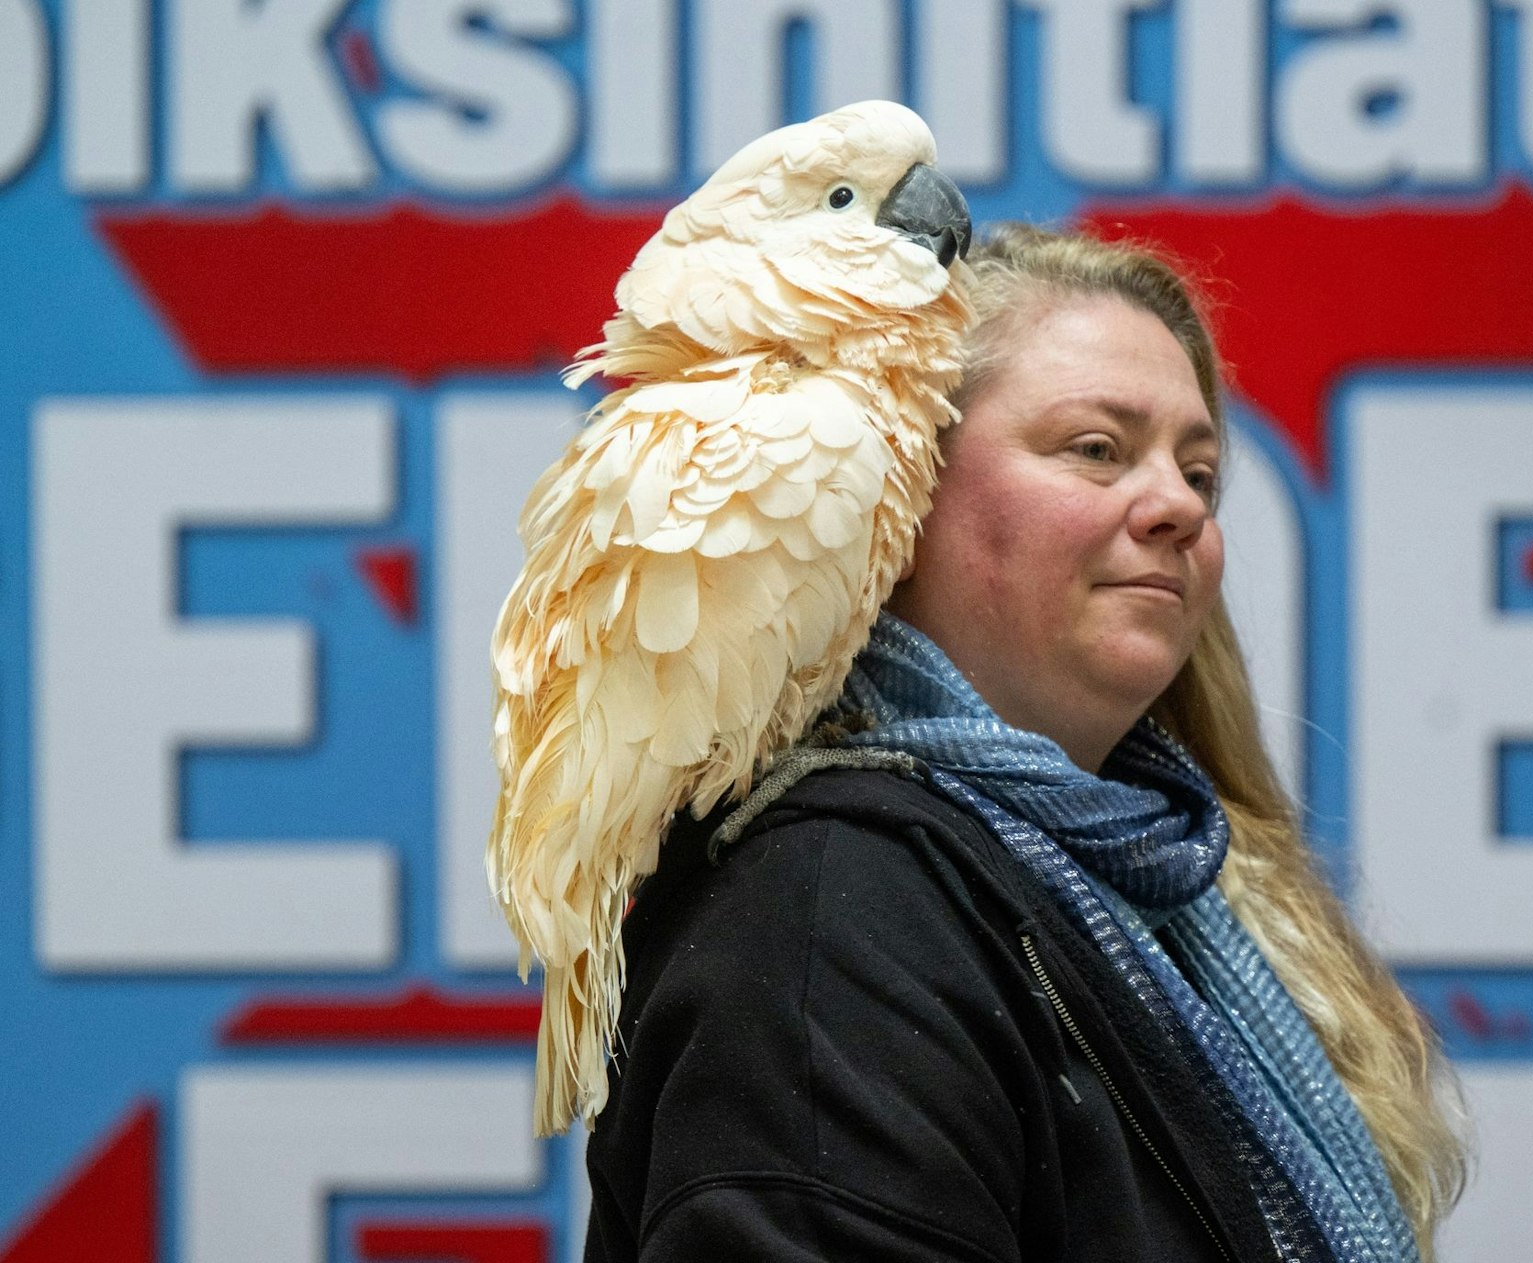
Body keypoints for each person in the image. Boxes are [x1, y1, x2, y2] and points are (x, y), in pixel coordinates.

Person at [582, 224, 1467, 1262]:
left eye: (1199, 473)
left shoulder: (1154, 900)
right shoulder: (829, 907)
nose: (1178, 506)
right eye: (1096, 449)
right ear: (892, 502)